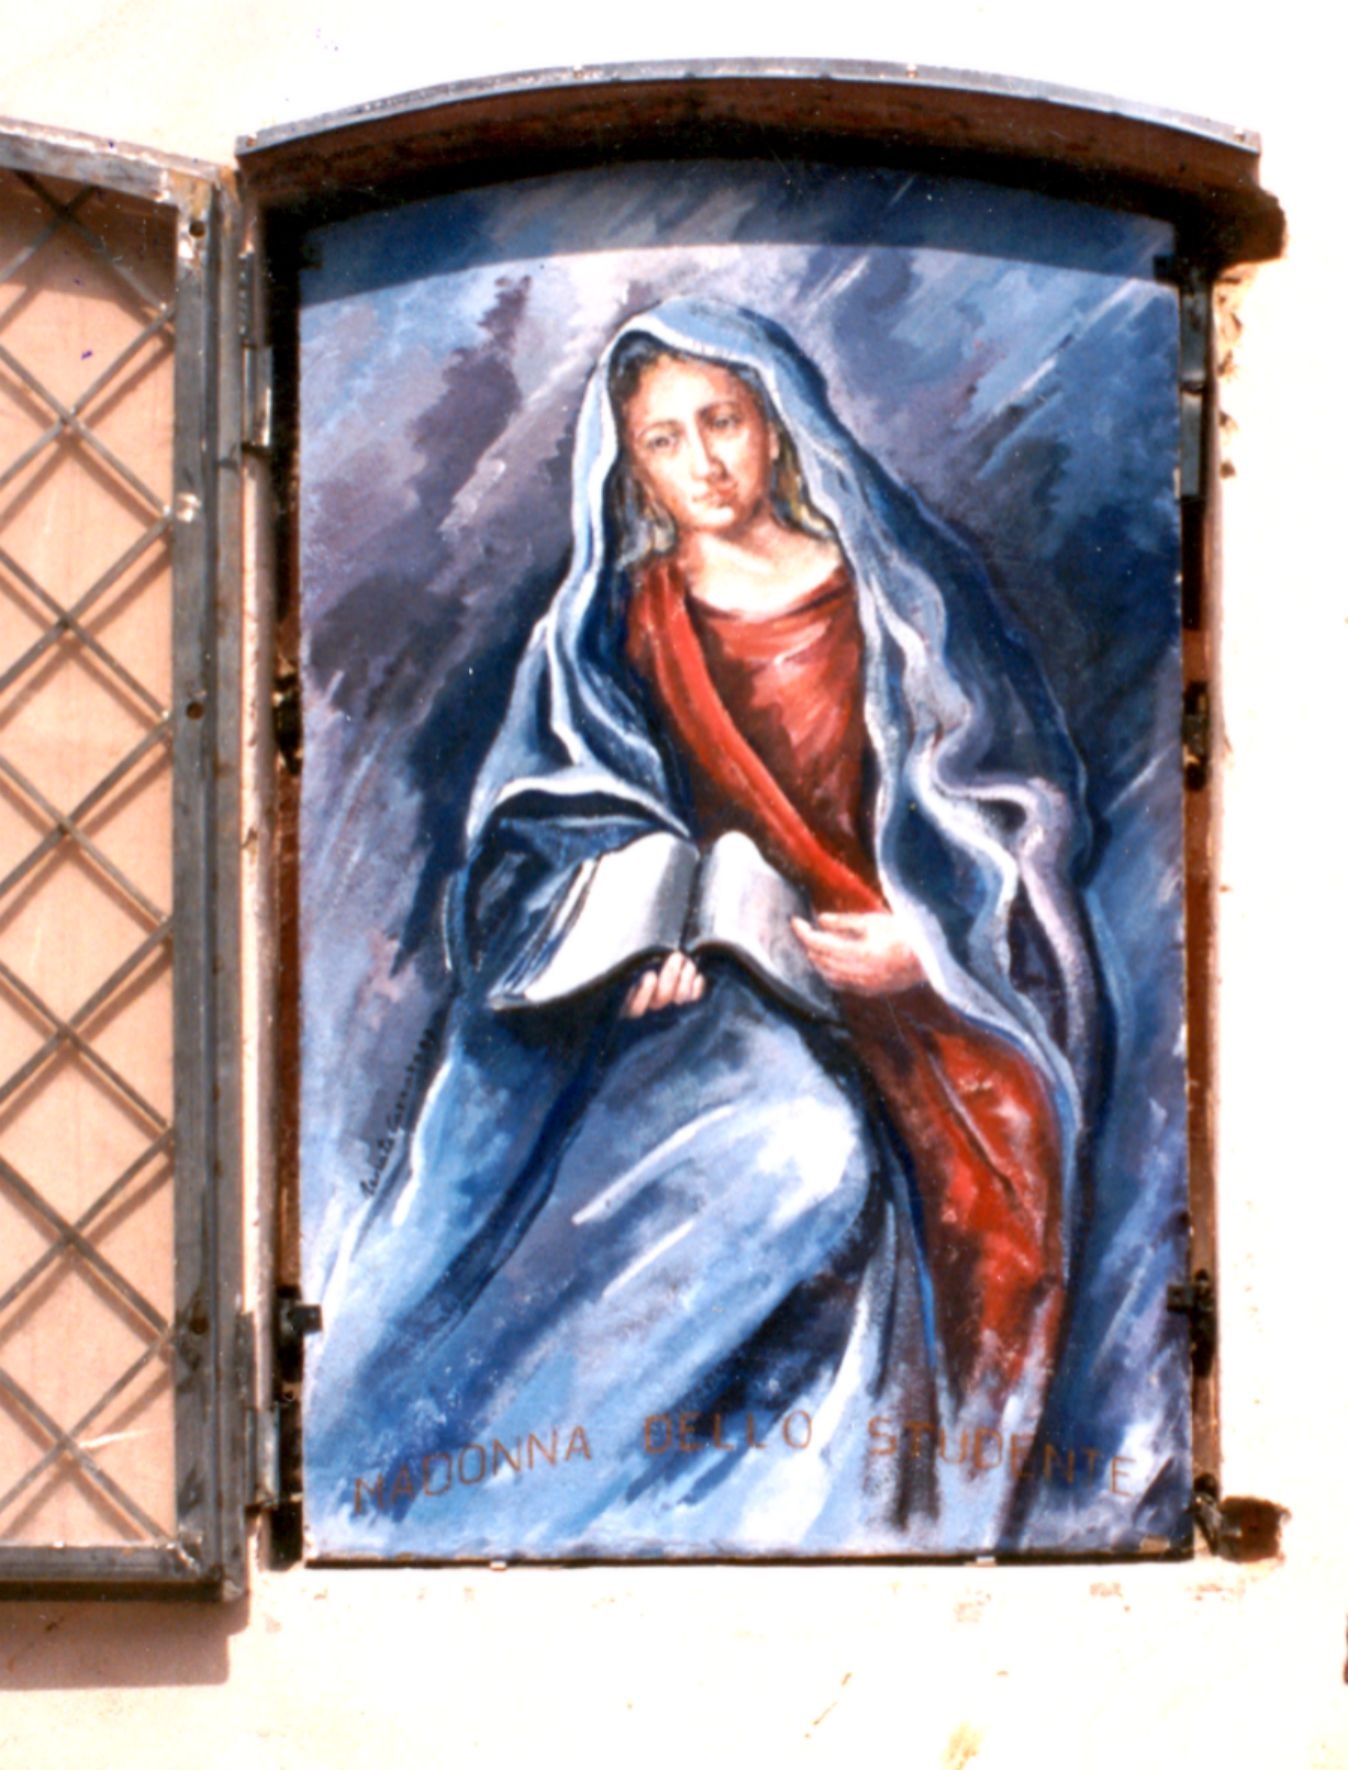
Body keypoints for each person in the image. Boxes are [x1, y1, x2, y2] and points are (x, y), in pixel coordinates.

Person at [304, 297, 1100, 1558]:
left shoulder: (894, 597)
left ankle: (891, 1530)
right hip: (729, 984)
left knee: (989, 1180)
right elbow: (558, 816)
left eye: (722, 422)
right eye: (664, 441)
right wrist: (636, 939)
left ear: (775, 428)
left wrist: (930, 943)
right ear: (632, 466)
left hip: (911, 981)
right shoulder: (616, 621)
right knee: (785, 1152)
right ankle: (618, 1506)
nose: (704, 463)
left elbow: (1018, 812)